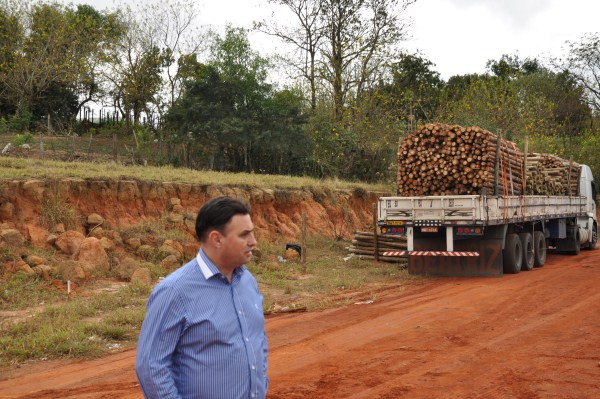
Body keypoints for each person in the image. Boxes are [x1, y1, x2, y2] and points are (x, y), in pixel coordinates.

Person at [135, 196, 268, 399]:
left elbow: (257, 341)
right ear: (216, 239)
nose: (253, 241)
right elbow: (151, 366)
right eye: (244, 235)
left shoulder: (247, 282)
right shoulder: (175, 291)